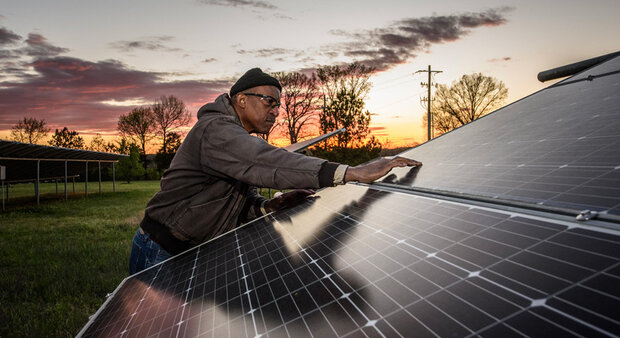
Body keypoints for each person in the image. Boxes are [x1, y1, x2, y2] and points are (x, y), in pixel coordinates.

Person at [129, 68, 421, 274]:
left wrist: (269, 207)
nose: (276, 111)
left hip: (189, 250)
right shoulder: (216, 131)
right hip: (161, 251)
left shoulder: (235, 138)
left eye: (278, 106)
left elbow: (236, 204)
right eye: (269, 101)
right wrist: (352, 172)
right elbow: (267, 162)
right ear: (241, 100)